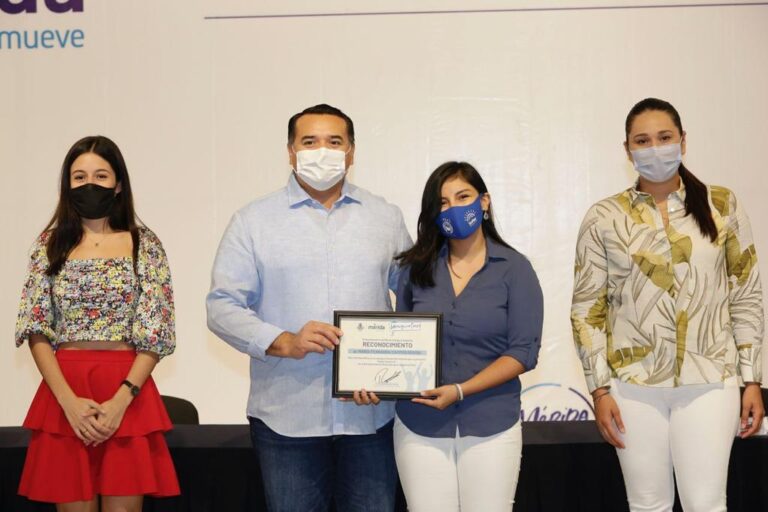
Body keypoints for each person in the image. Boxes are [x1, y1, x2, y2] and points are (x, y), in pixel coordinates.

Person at [206, 104, 412, 512]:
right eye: (309, 141)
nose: (322, 151)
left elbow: (413, 298)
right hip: (286, 417)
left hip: (370, 416)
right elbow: (221, 306)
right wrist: (283, 341)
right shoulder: (253, 221)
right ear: (290, 151)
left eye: (334, 142)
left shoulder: (385, 217)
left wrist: (394, 372)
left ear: (351, 152)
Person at [571, 97, 765, 511]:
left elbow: (745, 293)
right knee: (647, 504)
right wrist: (600, 389)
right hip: (632, 386)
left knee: (705, 503)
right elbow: (587, 309)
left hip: (711, 379)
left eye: (664, 137)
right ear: (627, 150)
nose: (654, 148)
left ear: (683, 141)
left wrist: (752, 379)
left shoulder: (721, 204)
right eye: (642, 141)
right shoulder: (604, 216)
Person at [355, 161, 543, 511]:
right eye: (442, 202)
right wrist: (375, 380)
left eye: (463, 197)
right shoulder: (415, 268)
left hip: (491, 423)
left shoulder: (515, 269)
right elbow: (400, 343)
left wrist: (460, 390)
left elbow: (523, 352)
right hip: (420, 424)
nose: (453, 208)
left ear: (484, 201)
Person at [15, 135, 179, 512]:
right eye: (79, 177)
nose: (90, 184)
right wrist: (68, 403)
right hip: (64, 391)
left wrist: (121, 400)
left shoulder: (144, 244)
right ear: (67, 185)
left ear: (118, 184)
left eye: (101, 176)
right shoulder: (49, 244)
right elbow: (35, 327)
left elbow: (156, 331)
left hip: (127, 390)